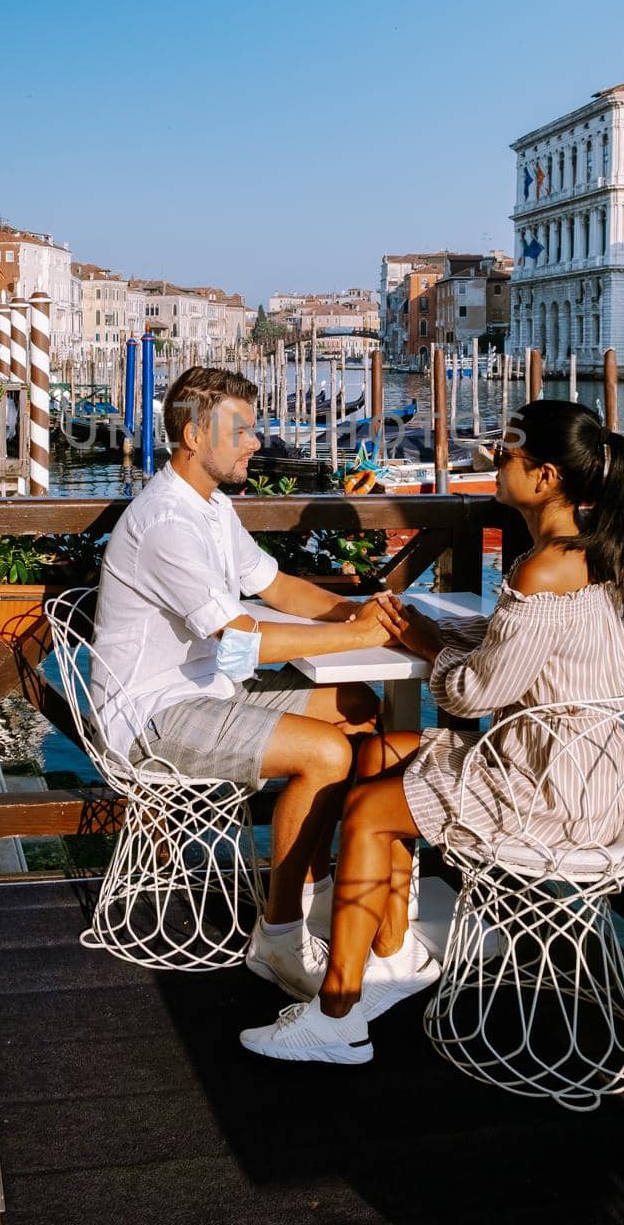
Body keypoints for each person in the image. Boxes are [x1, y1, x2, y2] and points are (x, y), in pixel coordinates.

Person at [240, 398, 624, 1064]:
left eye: (506, 451)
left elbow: (473, 690)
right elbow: (516, 647)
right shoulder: (587, 552)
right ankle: (392, 954)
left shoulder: (541, 568)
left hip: (550, 793)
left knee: (370, 812)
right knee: (376, 751)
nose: (491, 458)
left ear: (543, 477)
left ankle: (336, 1016)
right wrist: (433, 629)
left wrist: (429, 648)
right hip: (580, 769)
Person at [92, 364, 404, 1000]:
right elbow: (239, 636)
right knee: (327, 752)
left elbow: (275, 587)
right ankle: (280, 938)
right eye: (241, 431)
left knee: (360, 709)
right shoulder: (167, 523)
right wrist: (358, 637)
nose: (255, 443)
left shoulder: (211, 506)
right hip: (152, 714)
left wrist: (358, 612)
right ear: (192, 435)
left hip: (210, 690)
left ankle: (312, 896)